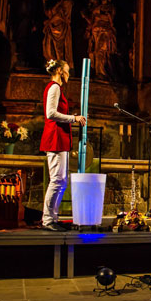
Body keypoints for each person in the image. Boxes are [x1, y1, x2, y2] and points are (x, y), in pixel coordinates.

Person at [40, 59, 86, 231]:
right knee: (57, 181)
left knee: (61, 181)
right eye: (67, 70)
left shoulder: (57, 88)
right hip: (55, 138)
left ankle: (53, 216)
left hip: (60, 138)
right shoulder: (54, 87)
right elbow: (50, 113)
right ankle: (47, 219)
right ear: (59, 70)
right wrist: (74, 118)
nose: (68, 74)